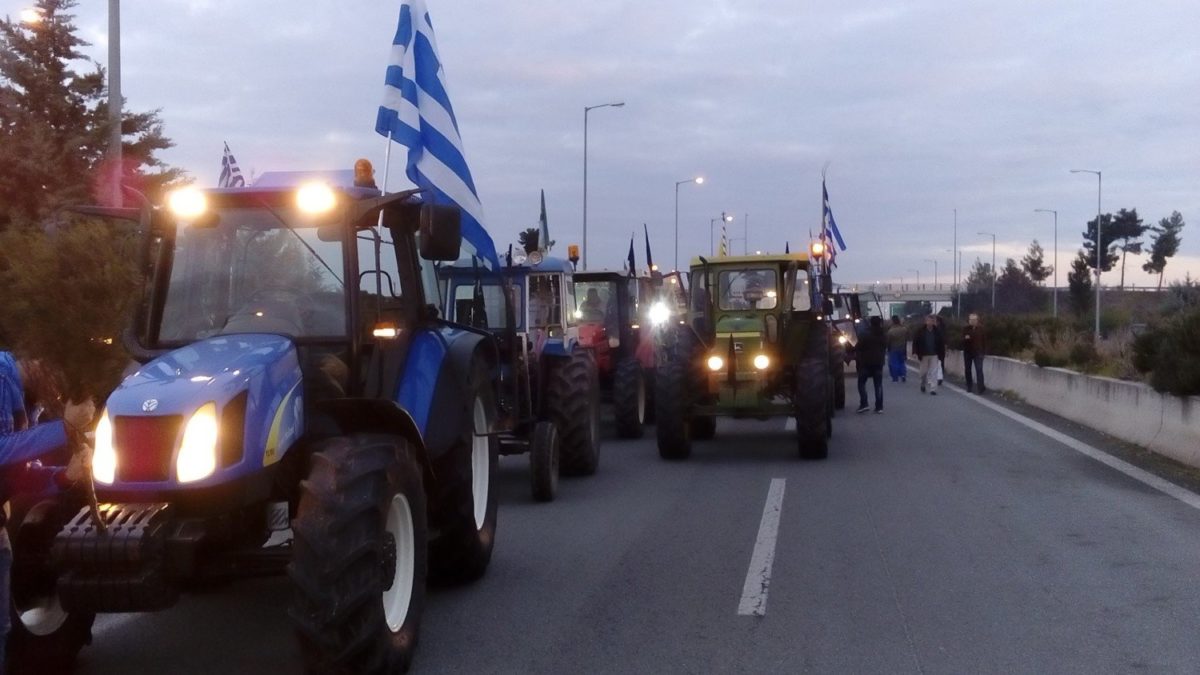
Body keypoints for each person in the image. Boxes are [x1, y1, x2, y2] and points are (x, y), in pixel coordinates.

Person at [0, 352, 93, 665]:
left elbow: (18, 473)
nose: (57, 394)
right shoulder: (0, 376)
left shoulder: (27, 400)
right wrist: (64, 428)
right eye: (58, 381)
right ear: (39, 357)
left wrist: (65, 476)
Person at [852, 316, 887, 413]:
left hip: (865, 363)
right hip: (878, 363)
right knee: (878, 385)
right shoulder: (883, 335)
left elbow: (858, 347)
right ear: (880, 323)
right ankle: (879, 407)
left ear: (870, 323)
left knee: (861, 383)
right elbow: (886, 346)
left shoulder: (865, 335)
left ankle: (864, 404)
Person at [911, 314, 945, 395]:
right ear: (926, 322)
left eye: (932, 321)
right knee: (923, 372)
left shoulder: (937, 332)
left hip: (934, 354)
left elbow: (941, 343)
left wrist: (942, 353)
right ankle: (923, 384)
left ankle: (933, 389)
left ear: (934, 322)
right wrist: (915, 352)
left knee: (934, 372)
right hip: (923, 354)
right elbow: (915, 342)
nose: (930, 323)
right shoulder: (920, 331)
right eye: (928, 321)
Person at [962, 312, 988, 394]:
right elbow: (961, 341)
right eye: (971, 320)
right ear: (969, 320)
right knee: (968, 369)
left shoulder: (981, 329)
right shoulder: (965, 329)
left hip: (978, 352)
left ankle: (981, 387)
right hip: (968, 352)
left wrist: (984, 352)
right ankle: (969, 386)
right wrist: (965, 339)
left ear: (977, 320)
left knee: (979, 370)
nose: (972, 321)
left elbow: (985, 341)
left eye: (974, 320)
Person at [885, 316, 908, 382]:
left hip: (893, 348)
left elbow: (888, 341)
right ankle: (903, 374)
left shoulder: (890, 331)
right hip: (902, 348)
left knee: (894, 363)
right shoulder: (904, 329)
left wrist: (888, 348)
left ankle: (895, 377)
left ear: (893, 322)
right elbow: (906, 338)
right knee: (902, 362)